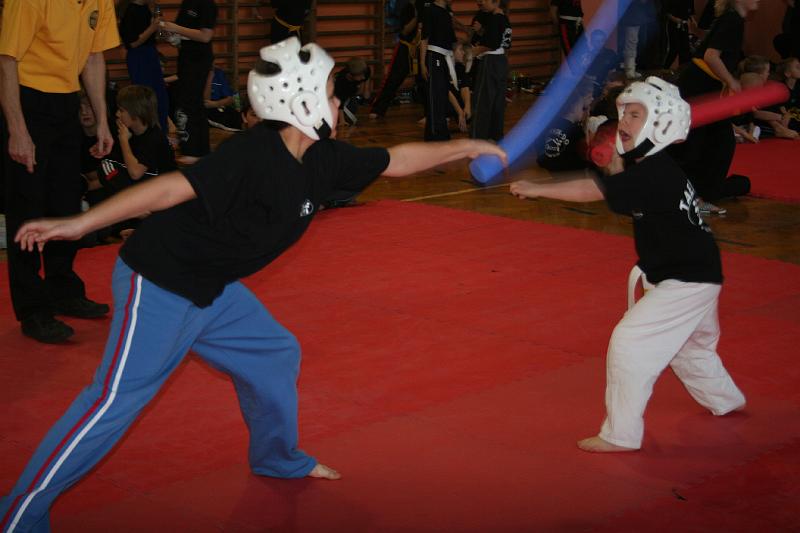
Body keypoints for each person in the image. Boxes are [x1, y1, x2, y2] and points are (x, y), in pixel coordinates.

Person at [1, 38, 507, 531]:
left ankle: (277, 459)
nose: (338, 103)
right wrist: (79, 224)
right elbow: (169, 189)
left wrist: (464, 145)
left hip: (213, 286)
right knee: (114, 402)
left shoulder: (323, 158)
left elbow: (396, 161)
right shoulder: (252, 156)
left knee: (273, 354)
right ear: (303, 104)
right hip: (160, 281)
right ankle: (18, 513)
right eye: (331, 94)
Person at [510, 76, 746, 453]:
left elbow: (593, 190)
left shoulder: (654, 172)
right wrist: (617, 162)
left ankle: (620, 434)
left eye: (635, 115)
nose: (624, 121)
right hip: (693, 272)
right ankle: (726, 399)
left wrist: (538, 189)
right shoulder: (653, 166)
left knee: (630, 343)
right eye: (624, 113)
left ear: (661, 123)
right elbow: (621, 194)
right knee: (692, 348)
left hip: (685, 280)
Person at [0, 0, 119, 344]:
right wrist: (17, 130)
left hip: (67, 101)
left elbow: (94, 57)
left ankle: (63, 288)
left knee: (66, 202)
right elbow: (6, 61)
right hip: (27, 100)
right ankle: (33, 309)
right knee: (27, 206)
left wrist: (102, 120)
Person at [669, 0, 759, 214]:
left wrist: (699, 34)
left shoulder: (730, 18)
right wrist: (731, 81)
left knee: (713, 142)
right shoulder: (732, 20)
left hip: (701, 87)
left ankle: (695, 194)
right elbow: (711, 56)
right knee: (712, 143)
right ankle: (694, 197)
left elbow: (709, 45)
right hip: (700, 88)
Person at [159, 0, 217, 165]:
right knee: (191, 104)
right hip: (186, 58)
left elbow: (205, 36)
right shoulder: (187, 3)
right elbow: (184, 34)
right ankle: (198, 149)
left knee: (190, 103)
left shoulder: (207, 4)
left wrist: (175, 28)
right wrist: (171, 35)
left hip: (198, 60)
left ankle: (194, 150)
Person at [118, 0, 170, 132]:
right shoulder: (129, 11)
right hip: (139, 57)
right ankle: (149, 133)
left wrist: (160, 28)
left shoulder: (147, 8)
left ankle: (161, 133)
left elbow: (156, 35)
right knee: (144, 100)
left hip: (150, 54)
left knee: (160, 98)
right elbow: (132, 43)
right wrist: (152, 27)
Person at [369, 1, 419, 119]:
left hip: (422, 48)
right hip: (406, 47)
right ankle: (378, 109)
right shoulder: (407, 8)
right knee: (393, 79)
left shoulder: (429, 6)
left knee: (424, 80)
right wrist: (418, 17)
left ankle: (431, 112)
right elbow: (405, 30)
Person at [470, 0, 511, 141]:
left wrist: (473, 52)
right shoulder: (504, 19)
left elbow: (491, 44)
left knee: (482, 101)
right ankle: (495, 136)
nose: (481, 2)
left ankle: (478, 138)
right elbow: (504, 43)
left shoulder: (494, 19)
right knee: (497, 103)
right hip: (501, 62)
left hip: (490, 62)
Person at [420, 0, 458, 141]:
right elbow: (424, 39)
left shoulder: (447, 14)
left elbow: (451, 40)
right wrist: (422, 63)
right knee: (435, 97)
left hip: (444, 58)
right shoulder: (430, 11)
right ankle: (434, 134)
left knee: (442, 96)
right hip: (433, 57)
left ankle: (441, 131)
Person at [334, 57, 372, 126]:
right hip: (338, 97)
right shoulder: (341, 82)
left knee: (354, 107)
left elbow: (367, 77)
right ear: (350, 75)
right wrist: (342, 121)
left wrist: (366, 89)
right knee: (350, 110)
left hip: (352, 91)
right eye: (360, 76)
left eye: (363, 74)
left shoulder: (365, 71)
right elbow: (340, 102)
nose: (363, 77)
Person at [205, 65, 243, 132]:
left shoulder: (219, 73)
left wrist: (216, 104)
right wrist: (210, 77)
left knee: (236, 116)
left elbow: (231, 99)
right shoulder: (197, 74)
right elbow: (206, 102)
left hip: (219, 105)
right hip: (207, 110)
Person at [663, 0, 697, 69]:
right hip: (673, 25)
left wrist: (693, 20)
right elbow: (666, 12)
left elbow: (690, 12)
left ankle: (681, 70)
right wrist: (675, 19)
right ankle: (665, 68)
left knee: (685, 49)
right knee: (674, 49)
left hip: (684, 25)